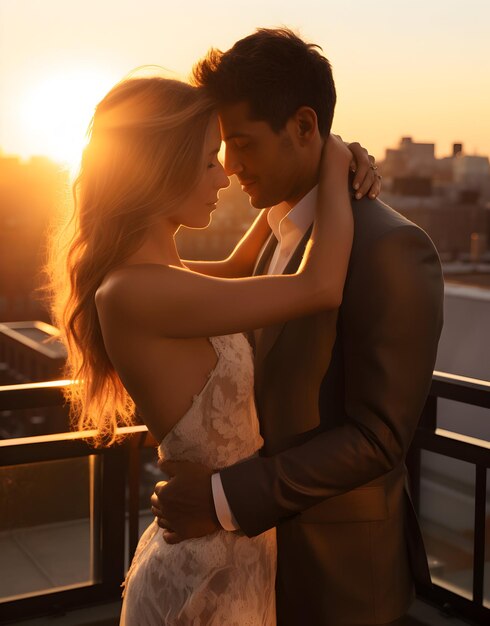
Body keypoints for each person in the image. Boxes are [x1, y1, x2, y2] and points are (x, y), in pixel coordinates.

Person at [49, 72, 380, 625]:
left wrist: (316, 171)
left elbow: (238, 268)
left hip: (229, 548)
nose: (225, 174)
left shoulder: (158, 278)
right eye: (208, 160)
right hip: (207, 573)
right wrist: (333, 157)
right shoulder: (138, 290)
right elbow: (320, 287)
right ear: (159, 168)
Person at [151, 28, 445, 626]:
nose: (230, 168)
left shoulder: (392, 249)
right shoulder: (281, 229)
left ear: (305, 127)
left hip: (341, 580)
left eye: (242, 143)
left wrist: (221, 498)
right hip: (257, 566)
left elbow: (380, 438)